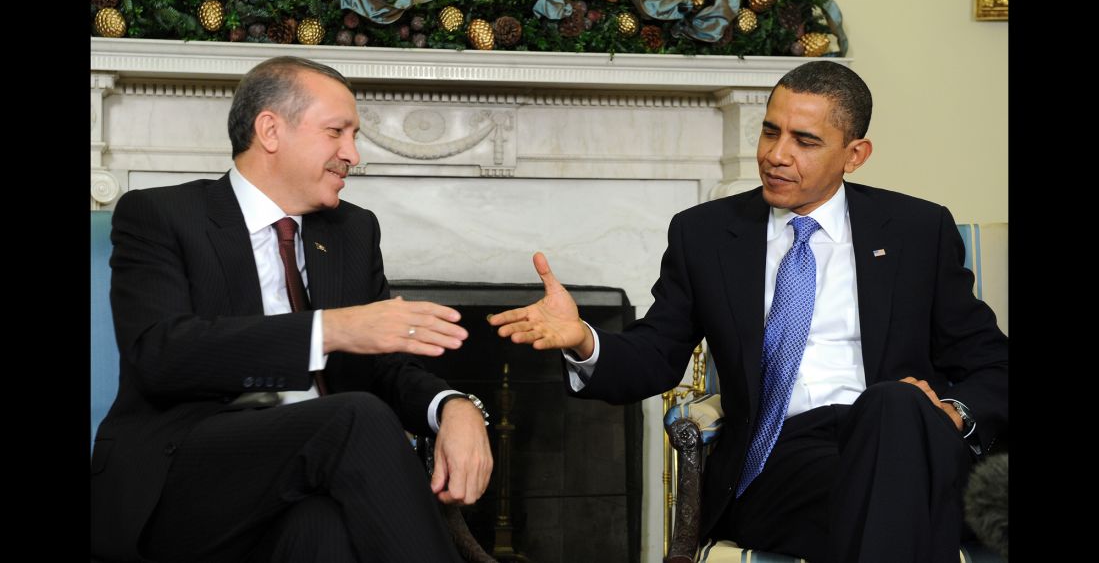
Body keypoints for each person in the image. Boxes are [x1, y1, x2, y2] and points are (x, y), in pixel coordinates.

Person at [490, 60, 1007, 562]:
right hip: (787, 460)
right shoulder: (708, 235)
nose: (776, 155)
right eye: (769, 132)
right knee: (897, 503)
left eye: (804, 141)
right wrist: (585, 339)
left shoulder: (916, 230)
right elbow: (657, 352)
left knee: (893, 408)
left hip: (906, 438)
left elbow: (993, 364)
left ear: (855, 154)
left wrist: (954, 413)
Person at [91, 56, 493, 563]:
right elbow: (161, 354)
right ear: (271, 130)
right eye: (336, 132)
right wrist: (328, 330)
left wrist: (454, 406)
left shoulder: (352, 231)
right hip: (180, 484)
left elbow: (386, 367)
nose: (353, 154)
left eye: (354, 135)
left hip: (300, 484)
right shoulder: (162, 215)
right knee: (354, 417)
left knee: (323, 530)